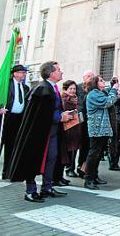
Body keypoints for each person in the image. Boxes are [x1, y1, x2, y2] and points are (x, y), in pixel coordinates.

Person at [7, 61, 73, 202]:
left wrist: (63, 114)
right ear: (51, 73)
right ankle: (30, 191)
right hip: (39, 132)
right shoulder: (42, 89)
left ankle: (47, 187)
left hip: (52, 131)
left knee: (52, 158)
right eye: (58, 70)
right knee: (34, 159)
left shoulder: (53, 87)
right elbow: (40, 113)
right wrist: (60, 117)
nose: (61, 72)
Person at [0, 64, 30, 183]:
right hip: (4, 119)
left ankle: (8, 172)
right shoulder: (5, 85)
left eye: (24, 72)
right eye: (22, 72)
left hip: (17, 120)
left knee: (12, 147)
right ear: (15, 73)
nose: (24, 74)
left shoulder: (25, 88)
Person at [84, 75, 119, 189]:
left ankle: (94, 176)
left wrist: (113, 86)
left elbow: (108, 92)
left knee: (98, 154)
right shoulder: (94, 94)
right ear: (95, 83)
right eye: (101, 80)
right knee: (94, 154)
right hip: (96, 129)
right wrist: (114, 89)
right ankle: (88, 179)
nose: (104, 82)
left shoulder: (100, 92)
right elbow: (109, 101)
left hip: (102, 129)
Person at [75, 70, 95, 178]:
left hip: (90, 121)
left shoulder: (94, 89)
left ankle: (82, 167)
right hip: (80, 120)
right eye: (88, 76)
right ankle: (70, 168)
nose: (91, 78)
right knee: (76, 145)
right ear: (83, 77)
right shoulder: (78, 87)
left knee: (87, 145)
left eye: (92, 76)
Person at [61, 80, 83, 177]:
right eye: (71, 88)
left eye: (74, 88)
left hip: (76, 128)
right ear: (66, 89)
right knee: (67, 150)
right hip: (67, 129)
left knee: (74, 150)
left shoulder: (76, 99)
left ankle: (71, 168)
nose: (73, 90)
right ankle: (68, 169)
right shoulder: (64, 99)